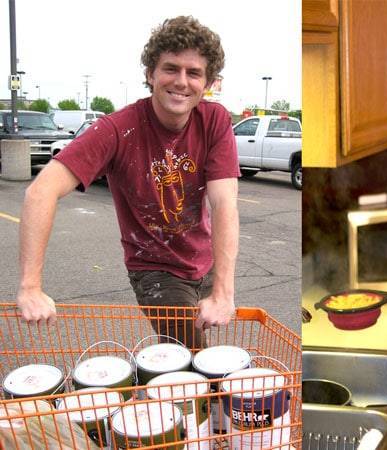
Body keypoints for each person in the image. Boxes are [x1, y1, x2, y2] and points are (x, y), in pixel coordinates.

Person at [16, 16, 240, 349]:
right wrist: (30, 287)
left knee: (194, 358)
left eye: (193, 73)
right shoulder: (118, 130)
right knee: (194, 357)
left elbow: (224, 202)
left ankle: (182, 397)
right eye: (170, 68)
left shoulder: (214, 120)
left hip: (205, 260)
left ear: (207, 82)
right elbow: (40, 191)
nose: (181, 81)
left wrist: (222, 291)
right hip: (156, 268)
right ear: (150, 74)